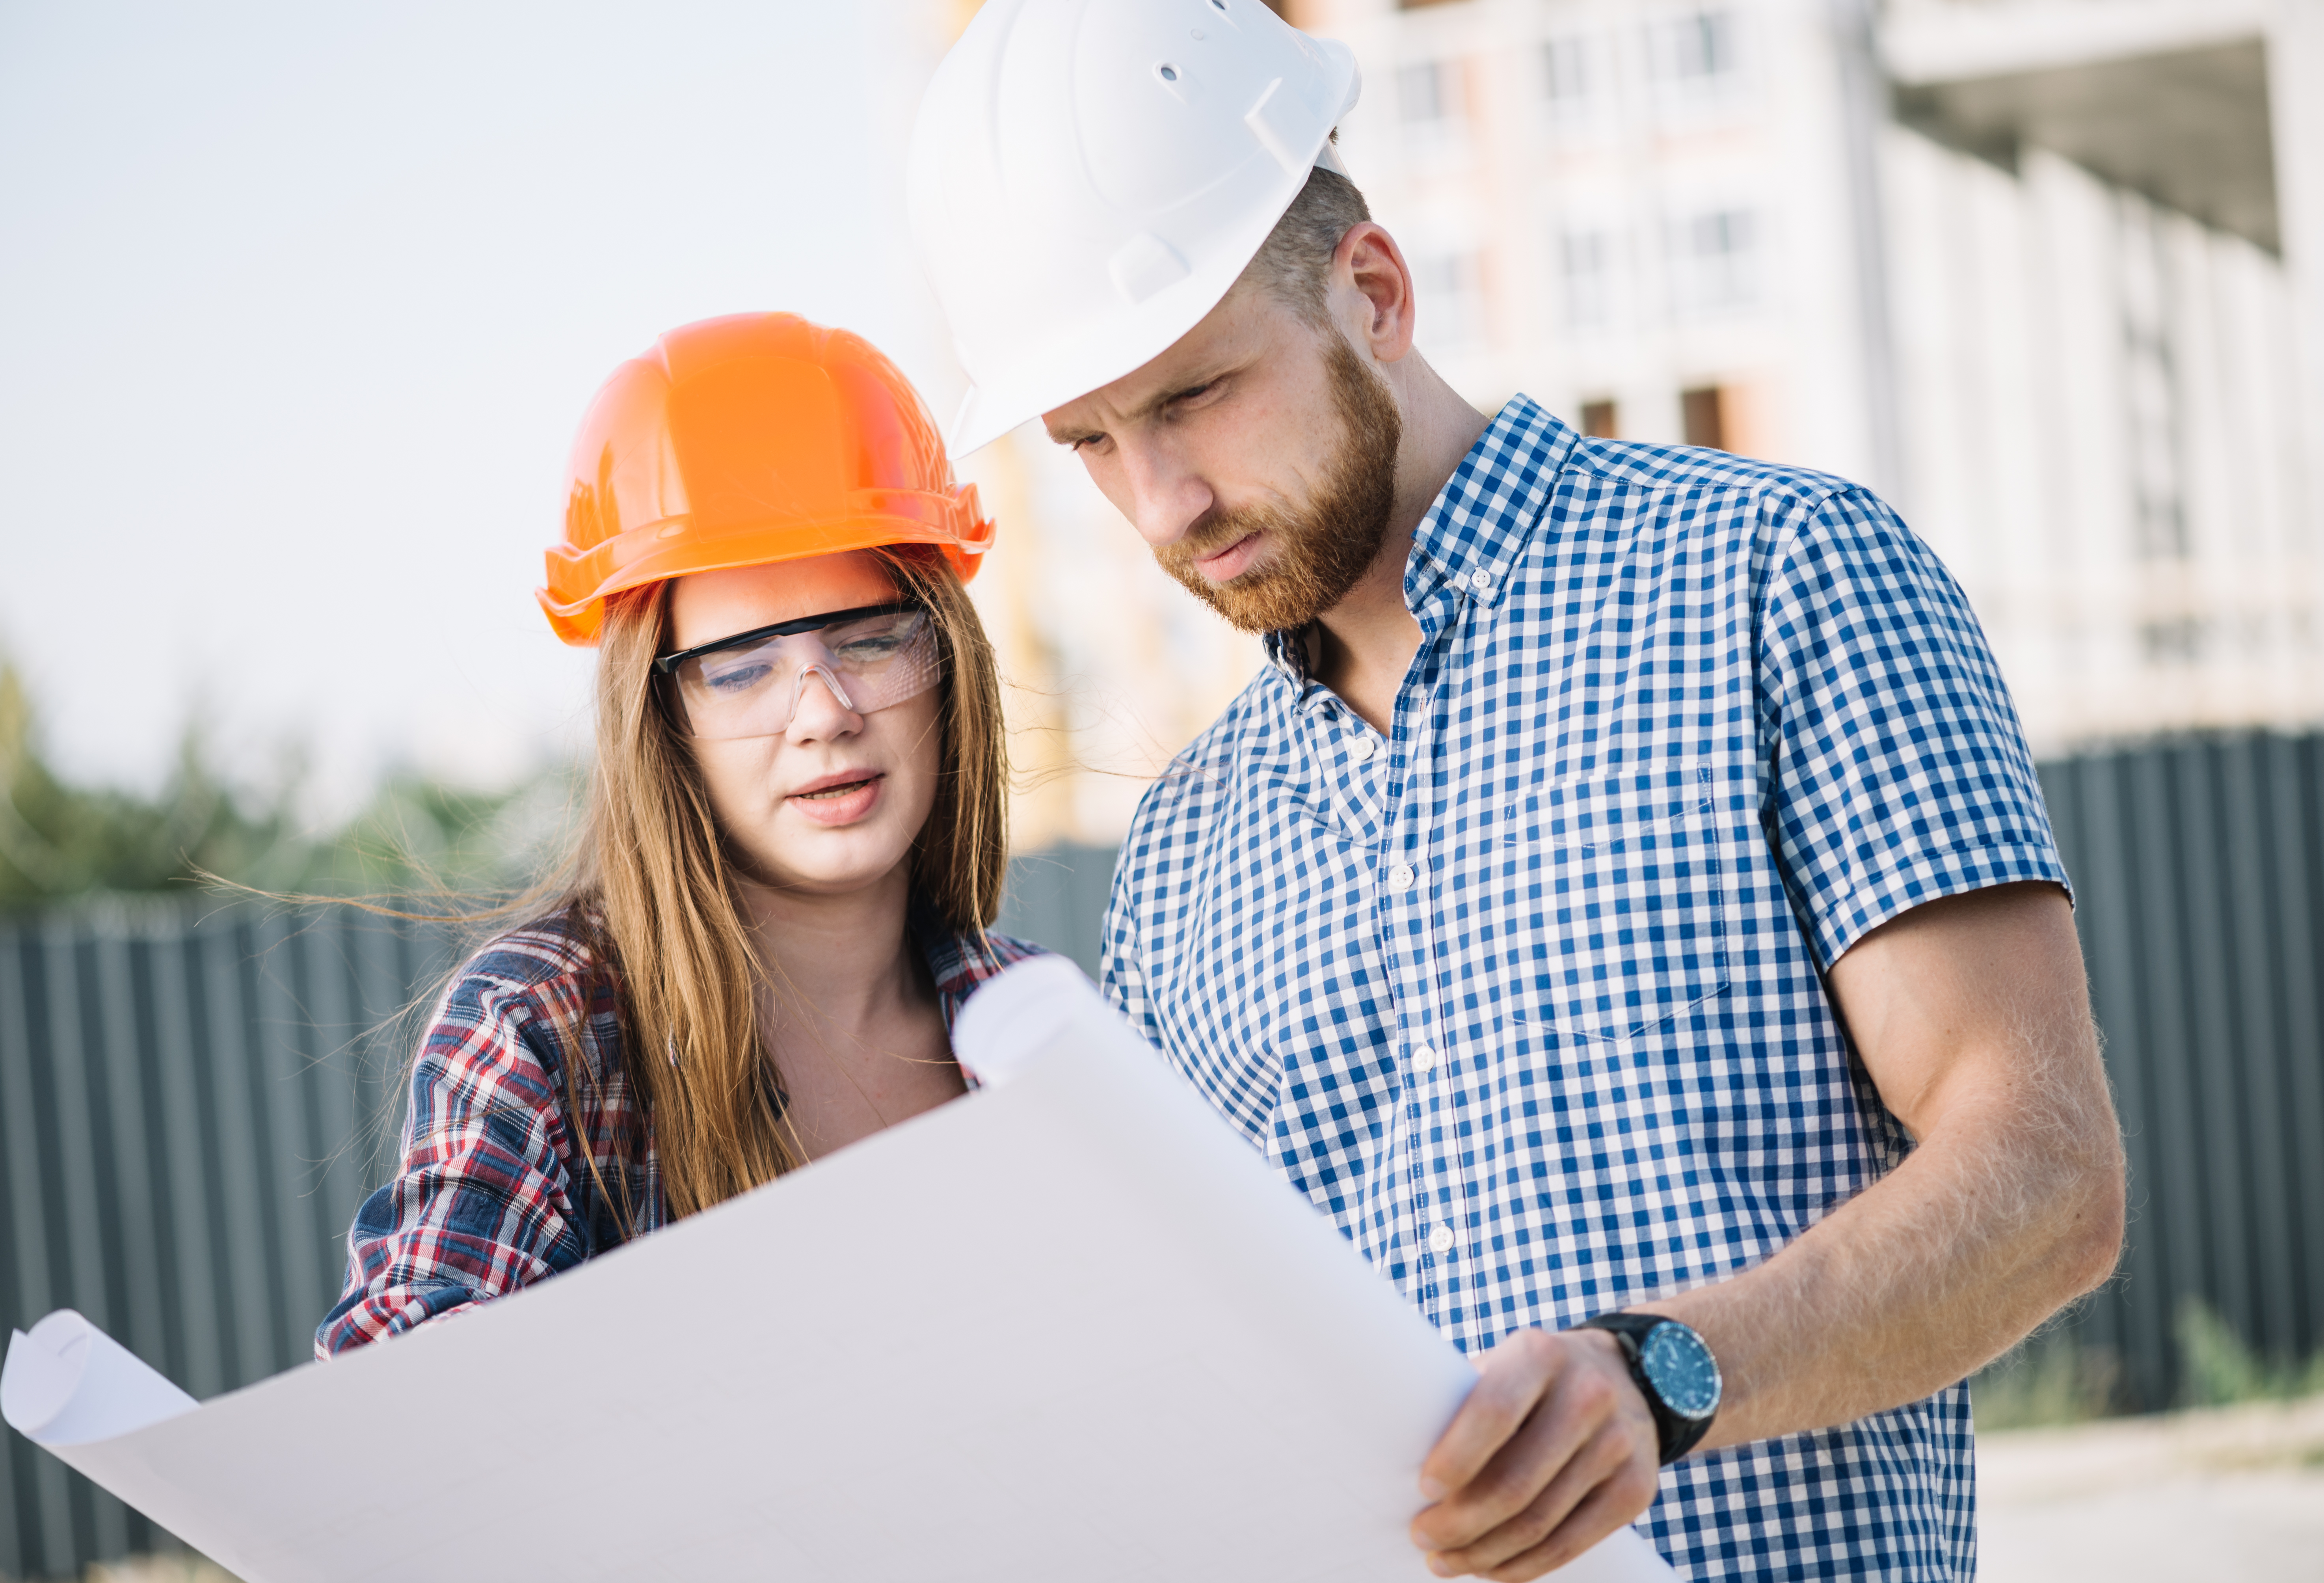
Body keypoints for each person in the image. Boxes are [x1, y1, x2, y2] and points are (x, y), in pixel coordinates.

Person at [909, 4, 2125, 1580]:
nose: (1165, 501)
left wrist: (1667, 1376)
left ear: (1374, 295)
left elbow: (2042, 1174)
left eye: (1198, 394)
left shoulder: (1777, 579)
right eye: (1090, 440)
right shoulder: (1184, 852)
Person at [315, 313, 1042, 1355]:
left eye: (871, 637)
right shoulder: (544, 1034)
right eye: (743, 666)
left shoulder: (1033, 1030)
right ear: (662, 725)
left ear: (948, 663)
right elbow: (411, 1427)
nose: (824, 709)